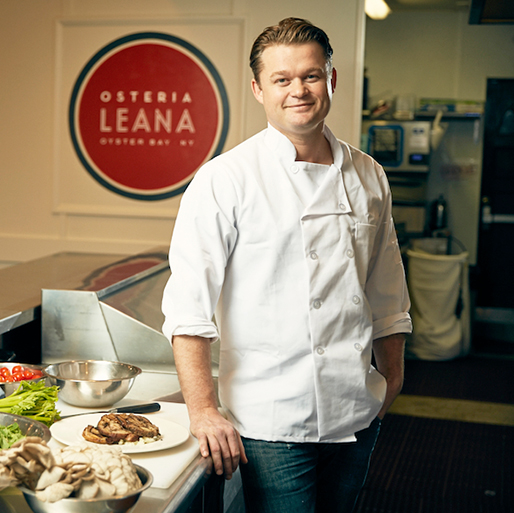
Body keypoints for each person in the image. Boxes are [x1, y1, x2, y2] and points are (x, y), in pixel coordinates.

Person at [161, 17, 412, 513]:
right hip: (270, 420)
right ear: (258, 89)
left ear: (331, 80)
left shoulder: (368, 174)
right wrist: (204, 410)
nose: (298, 90)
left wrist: (393, 379)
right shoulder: (224, 180)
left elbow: (387, 287)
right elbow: (189, 305)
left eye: (311, 75)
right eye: (282, 79)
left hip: (357, 407)